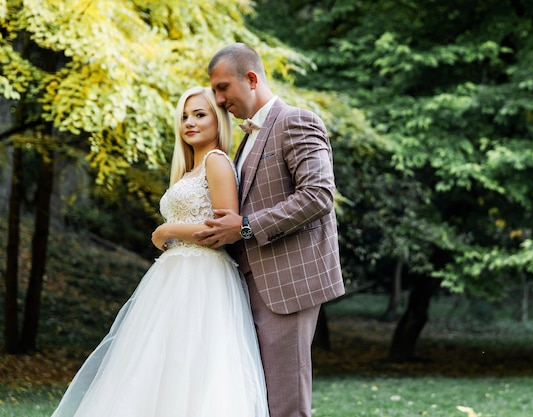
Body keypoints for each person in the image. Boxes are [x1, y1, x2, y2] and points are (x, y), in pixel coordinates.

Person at [51, 86, 269, 417]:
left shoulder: (217, 162)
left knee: (192, 366)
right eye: (184, 116)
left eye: (199, 114)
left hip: (203, 278)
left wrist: (168, 231)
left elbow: (225, 231)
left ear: (218, 120)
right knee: (157, 365)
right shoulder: (190, 169)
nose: (189, 123)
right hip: (173, 277)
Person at [193, 43, 345, 417]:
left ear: (251, 78)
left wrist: (244, 228)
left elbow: (318, 195)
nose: (218, 98)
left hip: (287, 283)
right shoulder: (246, 139)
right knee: (259, 399)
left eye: (222, 87)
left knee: (286, 403)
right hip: (248, 283)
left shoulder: (296, 120)